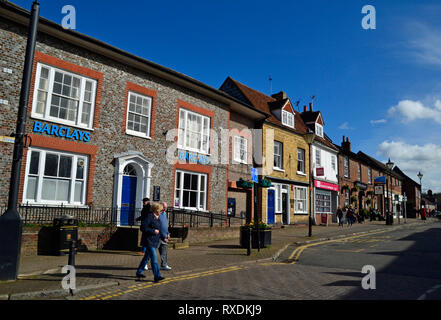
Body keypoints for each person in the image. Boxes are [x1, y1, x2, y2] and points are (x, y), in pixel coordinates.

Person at [136, 202, 165, 283]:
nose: (162, 211)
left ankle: (139, 272)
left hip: (155, 241)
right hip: (148, 241)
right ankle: (157, 276)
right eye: (161, 210)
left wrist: (164, 237)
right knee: (154, 258)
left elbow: (159, 230)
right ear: (156, 210)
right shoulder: (149, 216)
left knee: (146, 257)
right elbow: (143, 227)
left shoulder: (157, 217)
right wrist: (153, 231)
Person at [158, 202, 172, 271]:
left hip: (164, 236)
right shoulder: (158, 214)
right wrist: (164, 237)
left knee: (164, 252)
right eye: (164, 207)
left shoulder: (165, 214)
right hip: (158, 237)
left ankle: (164, 265)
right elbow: (159, 227)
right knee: (151, 252)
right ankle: (144, 264)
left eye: (166, 207)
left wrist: (168, 233)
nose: (165, 208)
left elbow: (165, 226)